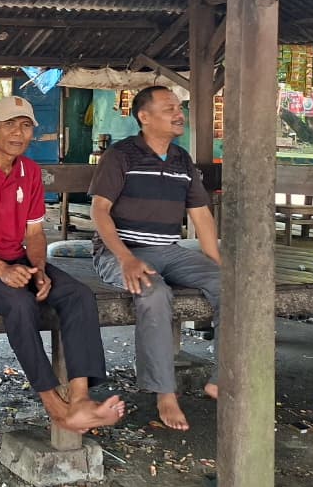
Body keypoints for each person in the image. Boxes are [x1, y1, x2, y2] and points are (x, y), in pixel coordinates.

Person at [0, 95, 125, 434]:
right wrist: (1, 269)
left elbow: (36, 234)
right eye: (10, 124)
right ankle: (54, 405)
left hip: (18, 258)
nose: (18, 133)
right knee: (19, 302)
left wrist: (39, 269)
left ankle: (80, 398)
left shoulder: (30, 171)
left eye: (26, 125)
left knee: (78, 295)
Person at [89, 85, 221, 432]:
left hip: (169, 251)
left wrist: (214, 264)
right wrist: (125, 258)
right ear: (144, 117)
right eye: (168, 108)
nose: (179, 114)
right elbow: (99, 211)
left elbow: (201, 215)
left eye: (179, 107)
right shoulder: (121, 155)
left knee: (229, 284)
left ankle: (223, 376)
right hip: (121, 251)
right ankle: (165, 391)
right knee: (154, 292)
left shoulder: (182, 160)